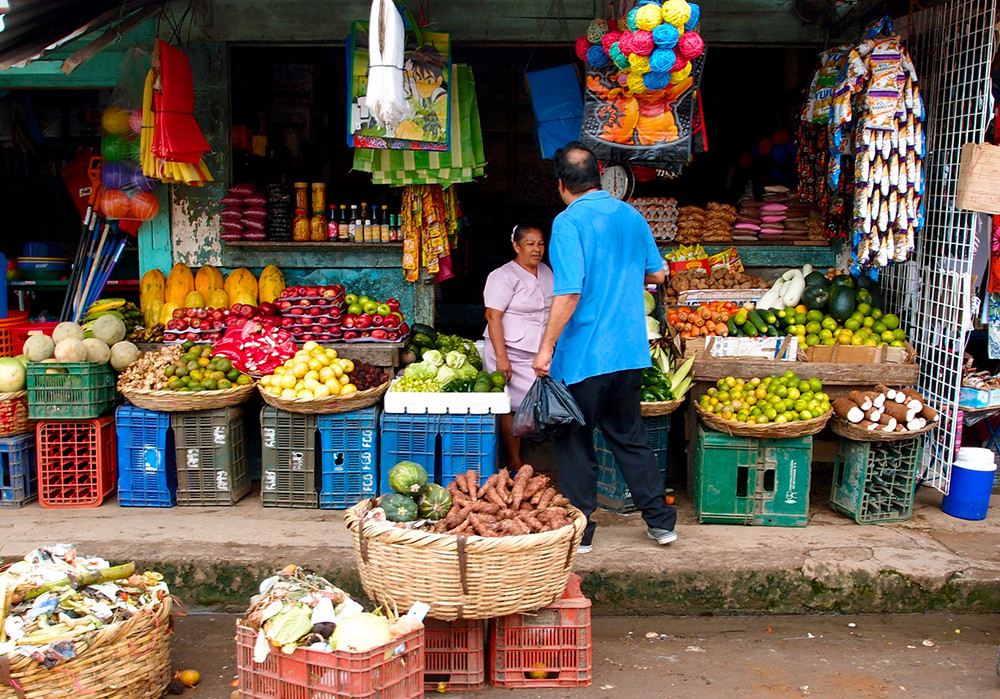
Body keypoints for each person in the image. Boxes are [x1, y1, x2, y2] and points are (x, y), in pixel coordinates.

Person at [532, 142, 677, 552]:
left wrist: (546, 348)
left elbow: (569, 293)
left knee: (575, 443)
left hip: (584, 356)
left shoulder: (568, 222)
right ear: (599, 176)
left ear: (561, 184)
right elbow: (659, 274)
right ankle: (661, 523)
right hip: (628, 351)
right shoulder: (631, 215)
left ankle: (582, 532)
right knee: (630, 438)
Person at [483, 225, 554, 469]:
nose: (537, 249)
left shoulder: (546, 272)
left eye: (541, 244)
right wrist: (502, 359)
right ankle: (513, 461)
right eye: (530, 244)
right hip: (507, 352)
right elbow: (493, 316)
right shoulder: (503, 276)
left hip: (537, 352)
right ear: (516, 246)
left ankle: (536, 451)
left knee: (537, 401)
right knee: (510, 406)